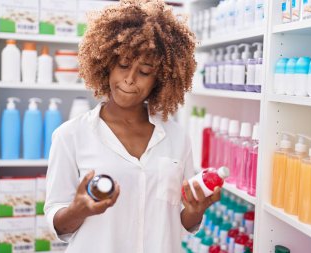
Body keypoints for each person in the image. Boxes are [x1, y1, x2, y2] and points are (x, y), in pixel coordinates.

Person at [44, 1, 221, 252]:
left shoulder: (177, 138)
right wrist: (77, 210)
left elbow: (183, 219)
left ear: (159, 79)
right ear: (107, 65)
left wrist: (195, 210)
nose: (129, 79)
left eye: (144, 71)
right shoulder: (70, 135)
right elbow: (57, 222)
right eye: (123, 65)